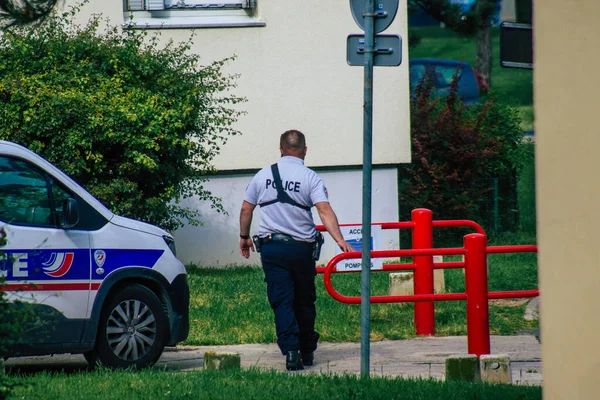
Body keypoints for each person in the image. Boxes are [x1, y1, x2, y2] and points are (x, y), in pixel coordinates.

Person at [239, 129, 354, 371]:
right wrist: (340, 239)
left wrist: (244, 237)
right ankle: (308, 351)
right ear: (305, 150)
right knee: (304, 300)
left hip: (272, 248)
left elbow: (246, 209)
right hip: (302, 250)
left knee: (282, 301)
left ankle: (291, 353)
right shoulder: (310, 177)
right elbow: (324, 210)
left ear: (281, 149)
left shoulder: (262, 175)